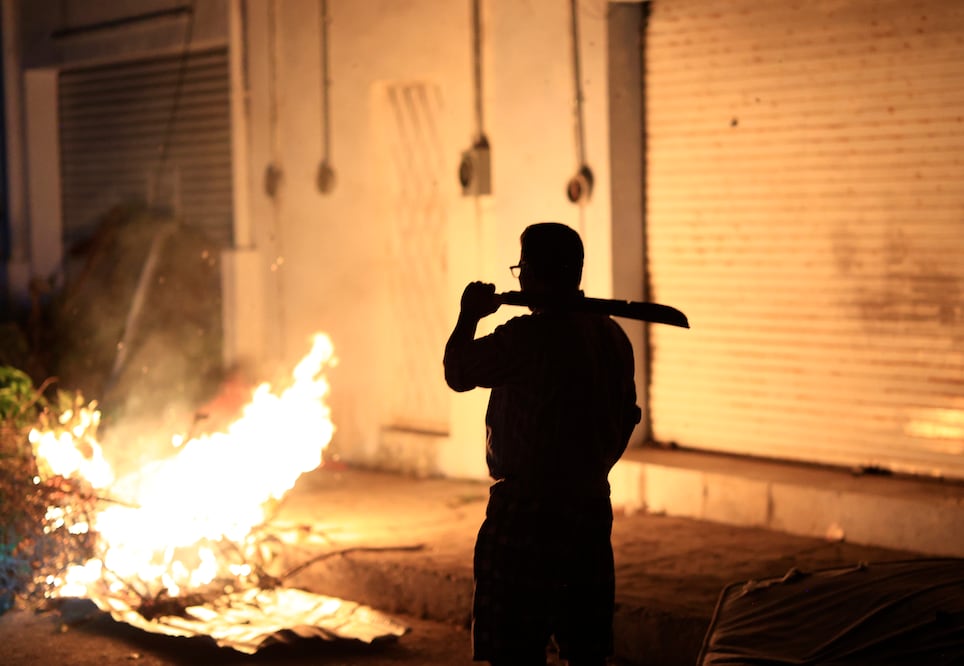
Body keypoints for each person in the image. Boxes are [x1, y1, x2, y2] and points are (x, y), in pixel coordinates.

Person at [443, 222, 641, 666]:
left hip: (528, 514)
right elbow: (627, 419)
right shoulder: (612, 337)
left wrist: (469, 315)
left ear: (531, 271)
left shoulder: (527, 337)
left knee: (514, 649)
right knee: (585, 650)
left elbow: (457, 372)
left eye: (521, 268)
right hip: (591, 509)